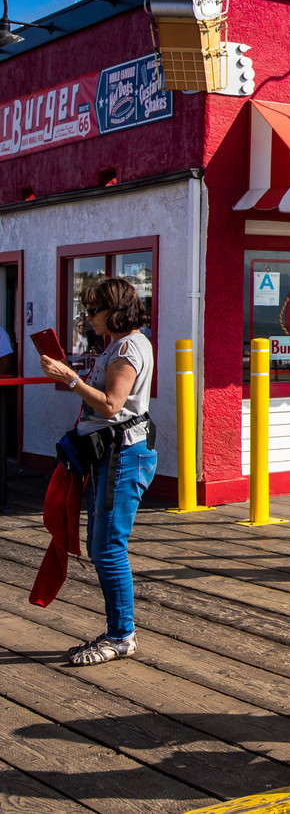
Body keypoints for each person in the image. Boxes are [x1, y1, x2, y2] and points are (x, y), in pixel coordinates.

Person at [38, 277, 158, 666]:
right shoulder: (121, 344)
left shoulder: (127, 348)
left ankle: (121, 636)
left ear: (115, 311)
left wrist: (70, 379)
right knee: (101, 546)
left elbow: (111, 404)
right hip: (114, 454)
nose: (88, 318)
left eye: (94, 311)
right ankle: (119, 631)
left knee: (107, 548)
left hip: (123, 456)